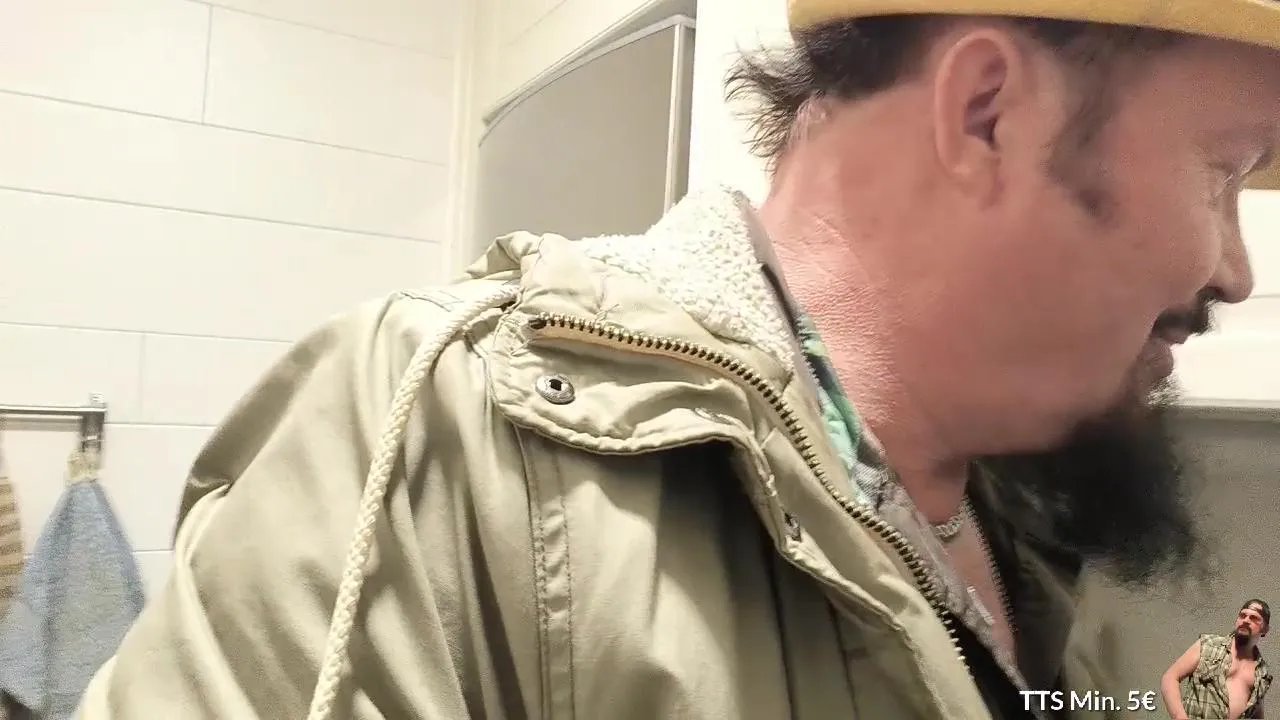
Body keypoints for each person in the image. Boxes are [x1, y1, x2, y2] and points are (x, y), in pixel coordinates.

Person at [80, 1, 1279, 719]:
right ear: (985, 114)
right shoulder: (445, 439)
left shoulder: (1030, 515)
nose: (1231, 270)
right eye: (1221, 173)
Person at [1161, 599, 1274, 720]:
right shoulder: (1208, 645)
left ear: (1265, 629)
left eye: (1254, 618)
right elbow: (1170, 677)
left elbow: (1256, 714)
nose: (1246, 620)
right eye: (1242, 615)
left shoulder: (1262, 673)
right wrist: (1179, 717)